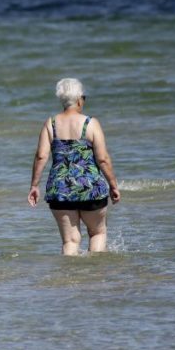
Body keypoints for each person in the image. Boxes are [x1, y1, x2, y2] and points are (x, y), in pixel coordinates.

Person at [28, 78, 121, 255]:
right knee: (97, 234)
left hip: (60, 190)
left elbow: (41, 156)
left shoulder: (51, 124)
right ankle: (95, 277)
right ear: (79, 99)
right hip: (90, 188)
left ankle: (69, 278)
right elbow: (103, 159)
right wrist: (113, 185)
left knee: (70, 241)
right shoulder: (91, 123)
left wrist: (34, 186)